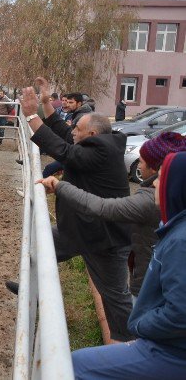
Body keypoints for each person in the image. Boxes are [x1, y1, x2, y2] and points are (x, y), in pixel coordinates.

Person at [20, 77, 133, 342]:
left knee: (115, 296)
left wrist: (30, 116)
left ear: (91, 135)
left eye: (78, 129)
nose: (73, 131)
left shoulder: (99, 153)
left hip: (105, 239)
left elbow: (63, 151)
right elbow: (62, 132)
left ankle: (127, 342)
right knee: (40, 243)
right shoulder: (99, 144)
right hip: (84, 229)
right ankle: (30, 288)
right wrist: (46, 103)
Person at [71, 151, 186, 379]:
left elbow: (180, 312)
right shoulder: (174, 227)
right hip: (168, 342)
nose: (154, 184)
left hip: (170, 350)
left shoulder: (181, 240)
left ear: (175, 187)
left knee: (75, 365)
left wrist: (141, 324)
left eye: (161, 177)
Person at [39, 132, 186, 304]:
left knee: (120, 300)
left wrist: (60, 186)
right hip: (146, 274)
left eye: (142, 161)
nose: (138, 165)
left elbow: (100, 207)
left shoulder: (149, 200)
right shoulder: (166, 195)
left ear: (156, 169)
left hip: (148, 284)